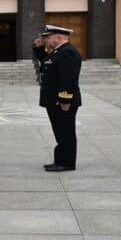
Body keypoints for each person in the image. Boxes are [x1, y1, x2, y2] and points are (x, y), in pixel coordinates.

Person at [34, 25, 82, 172]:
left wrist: (65, 100)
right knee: (60, 131)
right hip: (54, 101)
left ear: (59, 37)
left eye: (48, 37)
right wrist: (38, 47)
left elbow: (68, 79)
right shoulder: (57, 52)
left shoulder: (68, 52)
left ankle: (67, 163)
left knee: (65, 131)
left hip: (62, 102)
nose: (46, 40)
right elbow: (46, 63)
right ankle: (60, 160)